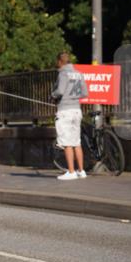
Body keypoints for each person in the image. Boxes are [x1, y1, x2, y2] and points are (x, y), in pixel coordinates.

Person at [52, 52, 87, 180]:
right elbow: (84, 93)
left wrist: (53, 95)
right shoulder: (78, 73)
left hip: (65, 111)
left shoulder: (63, 73)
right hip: (77, 109)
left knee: (67, 143)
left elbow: (60, 91)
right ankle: (81, 171)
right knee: (76, 142)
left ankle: (71, 172)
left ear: (60, 62)